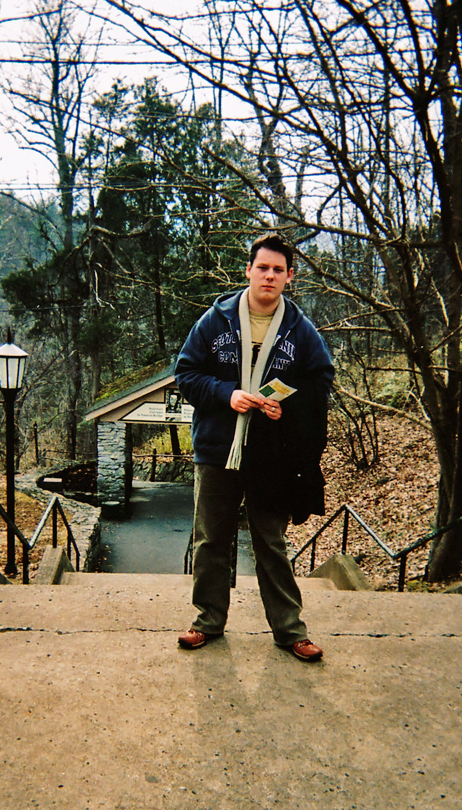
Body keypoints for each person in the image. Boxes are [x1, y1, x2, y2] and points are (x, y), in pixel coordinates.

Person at [172, 232, 334, 662]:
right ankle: (207, 620)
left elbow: (321, 380)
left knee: (271, 543)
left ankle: (290, 630)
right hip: (217, 448)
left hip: (271, 454)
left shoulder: (300, 330)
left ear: (289, 276)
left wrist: (288, 407)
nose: (269, 276)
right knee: (211, 539)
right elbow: (185, 373)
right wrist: (226, 394)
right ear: (248, 270)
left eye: (278, 270)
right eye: (262, 267)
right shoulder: (215, 320)